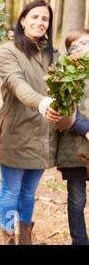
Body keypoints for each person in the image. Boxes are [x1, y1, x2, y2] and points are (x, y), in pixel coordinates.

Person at [0, 0, 58, 245]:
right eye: (34, 17)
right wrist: (44, 104)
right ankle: (10, 237)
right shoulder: (8, 51)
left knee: (29, 192)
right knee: (11, 189)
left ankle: (25, 239)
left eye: (45, 19)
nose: (39, 22)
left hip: (44, 134)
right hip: (17, 133)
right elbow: (16, 84)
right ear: (22, 20)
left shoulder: (52, 55)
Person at [52, 29, 89, 245]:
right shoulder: (64, 77)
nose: (83, 49)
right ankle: (80, 241)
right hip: (73, 151)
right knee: (77, 201)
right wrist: (84, 127)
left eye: (87, 44)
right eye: (77, 46)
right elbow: (63, 112)